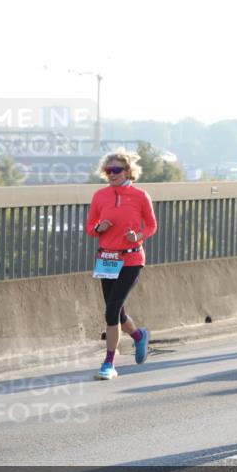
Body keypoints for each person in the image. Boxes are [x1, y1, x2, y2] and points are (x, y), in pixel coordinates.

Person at [86, 149, 157, 380]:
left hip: (131, 258)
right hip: (107, 258)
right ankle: (138, 336)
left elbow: (151, 226)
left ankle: (109, 363)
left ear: (128, 171)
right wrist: (99, 228)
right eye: (108, 170)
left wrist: (138, 236)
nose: (111, 174)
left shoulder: (140, 196)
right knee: (116, 310)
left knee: (112, 310)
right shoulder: (100, 196)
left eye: (116, 170)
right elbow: (90, 228)